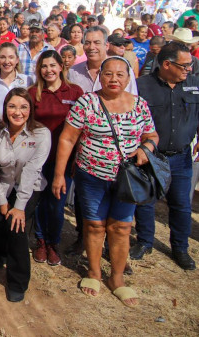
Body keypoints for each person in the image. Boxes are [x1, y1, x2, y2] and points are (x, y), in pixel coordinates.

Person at [53, 57, 158, 306]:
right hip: (91, 176)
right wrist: (59, 174)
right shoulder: (87, 102)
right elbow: (68, 139)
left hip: (127, 180)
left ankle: (117, 278)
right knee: (94, 225)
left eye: (120, 75)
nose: (114, 79)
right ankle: (94, 272)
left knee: (121, 228)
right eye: (108, 74)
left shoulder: (139, 105)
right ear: (100, 76)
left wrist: (146, 148)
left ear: (128, 78)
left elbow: (151, 134)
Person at [132, 42, 198, 270]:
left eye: (190, 65)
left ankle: (180, 248)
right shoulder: (142, 86)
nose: (189, 69)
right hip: (151, 156)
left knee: (181, 204)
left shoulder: (194, 85)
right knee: (146, 201)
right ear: (167, 64)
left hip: (181, 156)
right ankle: (144, 241)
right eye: (184, 65)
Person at [0, 88, 51, 302]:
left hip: (29, 187)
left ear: (30, 109)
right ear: (5, 109)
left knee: (16, 227)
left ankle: (17, 281)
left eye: (23, 107)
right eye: (12, 106)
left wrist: (19, 207)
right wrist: (2, 202)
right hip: (2, 184)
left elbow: (32, 171)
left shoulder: (41, 134)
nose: (17, 112)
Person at [28, 50, 83, 266]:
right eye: (44, 66)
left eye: (52, 65)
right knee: (40, 201)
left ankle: (53, 242)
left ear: (61, 66)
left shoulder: (75, 92)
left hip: (65, 159)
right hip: (38, 157)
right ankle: (41, 241)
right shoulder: (33, 93)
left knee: (57, 203)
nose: (48, 70)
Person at [69, 27, 137, 95]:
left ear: (107, 46)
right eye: (87, 43)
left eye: (97, 43)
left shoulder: (124, 70)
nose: (91, 47)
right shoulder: (73, 72)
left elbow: (132, 99)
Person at [0, 42, 31, 115]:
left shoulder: (27, 81)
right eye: (2, 57)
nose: (7, 61)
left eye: (11, 57)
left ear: (17, 60)